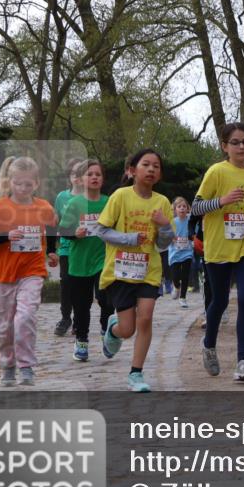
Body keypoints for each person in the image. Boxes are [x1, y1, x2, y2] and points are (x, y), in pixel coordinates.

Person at [192, 122, 244, 382]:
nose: (241, 146)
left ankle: (243, 361)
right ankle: (209, 344)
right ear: (225, 146)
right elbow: (195, 208)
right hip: (218, 247)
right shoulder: (216, 172)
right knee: (220, 301)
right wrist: (222, 201)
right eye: (235, 142)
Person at [96, 148, 174, 392]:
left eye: (156, 166)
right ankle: (114, 329)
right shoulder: (120, 196)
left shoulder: (162, 203)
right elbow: (101, 230)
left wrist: (165, 226)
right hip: (120, 271)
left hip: (149, 271)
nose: (151, 169)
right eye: (146, 165)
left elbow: (163, 244)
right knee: (127, 329)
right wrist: (129, 238)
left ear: (160, 174)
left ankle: (136, 373)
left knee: (146, 317)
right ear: (132, 170)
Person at [0, 156, 59, 386]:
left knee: (25, 317)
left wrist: (52, 251)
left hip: (32, 271)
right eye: (18, 183)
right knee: (5, 326)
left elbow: (52, 228)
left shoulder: (43, 206)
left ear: (37, 183)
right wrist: (6, 236)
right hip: (5, 275)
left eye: (28, 184)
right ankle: (8, 365)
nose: (23, 188)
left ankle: (26, 366)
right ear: (9, 182)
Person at [57, 159, 113, 362]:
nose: (94, 177)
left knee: (106, 299)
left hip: (104, 259)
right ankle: (81, 340)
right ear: (81, 179)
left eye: (98, 174)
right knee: (81, 305)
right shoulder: (75, 203)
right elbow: (63, 229)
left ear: (103, 179)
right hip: (79, 262)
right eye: (90, 174)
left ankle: (106, 332)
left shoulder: (109, 202)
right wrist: (75, 233)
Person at [53, 157, 83, 336]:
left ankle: (79, 318)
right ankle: (65, 318)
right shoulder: (61, 197)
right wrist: (51, 249)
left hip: (86, 249)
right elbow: (55, 223)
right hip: (66, 248)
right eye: (74, 173)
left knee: (81, 286)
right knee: (66, 284)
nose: (77, 177)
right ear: (69, 176)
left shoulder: (91, 197)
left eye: (81, 173)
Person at [168, 197, 194, 308]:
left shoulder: (190, 220)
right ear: (175, 209)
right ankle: (176, 286)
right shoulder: (172, 222)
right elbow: (166, 235)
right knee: (175, 276)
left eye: (184, 206)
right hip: (174, 252)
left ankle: (183, 298)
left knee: (185, 275)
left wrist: (193, 238)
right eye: (179, 207)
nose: (182, 208)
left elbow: (195, 231)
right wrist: (172, 238)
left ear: (188, 209)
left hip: (187, 252)